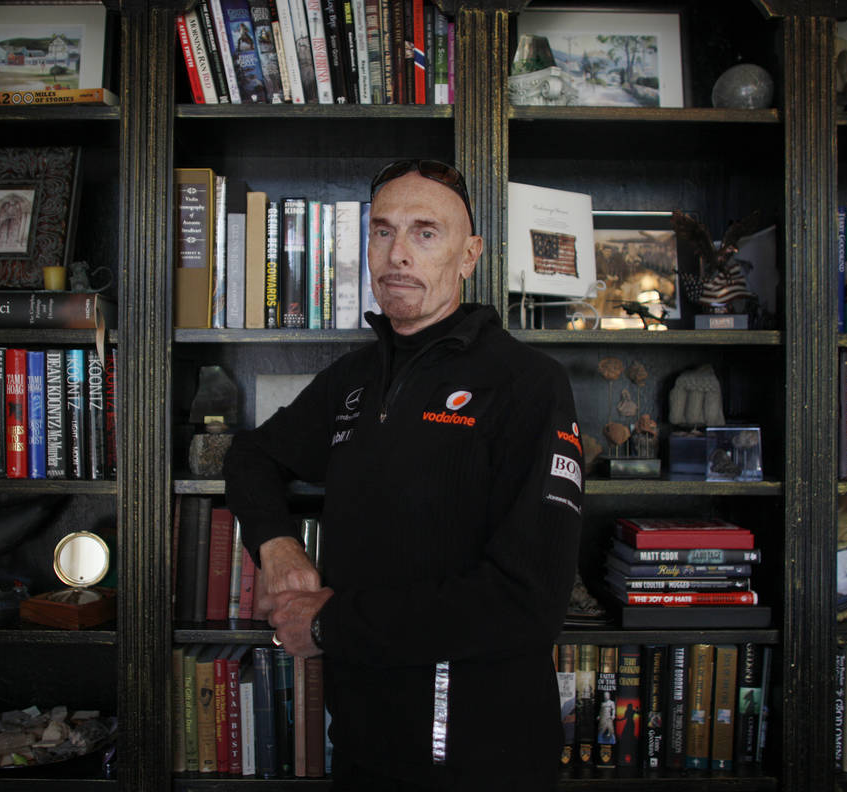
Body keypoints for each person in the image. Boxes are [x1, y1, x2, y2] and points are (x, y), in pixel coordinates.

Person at [223, 158, 583, 790]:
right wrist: (275, 546)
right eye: (382, 231)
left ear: (468, 255)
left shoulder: (527, 385)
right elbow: (250, 457)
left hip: (480, 757)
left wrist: (328, 623)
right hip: (362, 744)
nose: (397, 255)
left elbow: (526, 604)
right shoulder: (354, 379)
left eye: (425, 232)